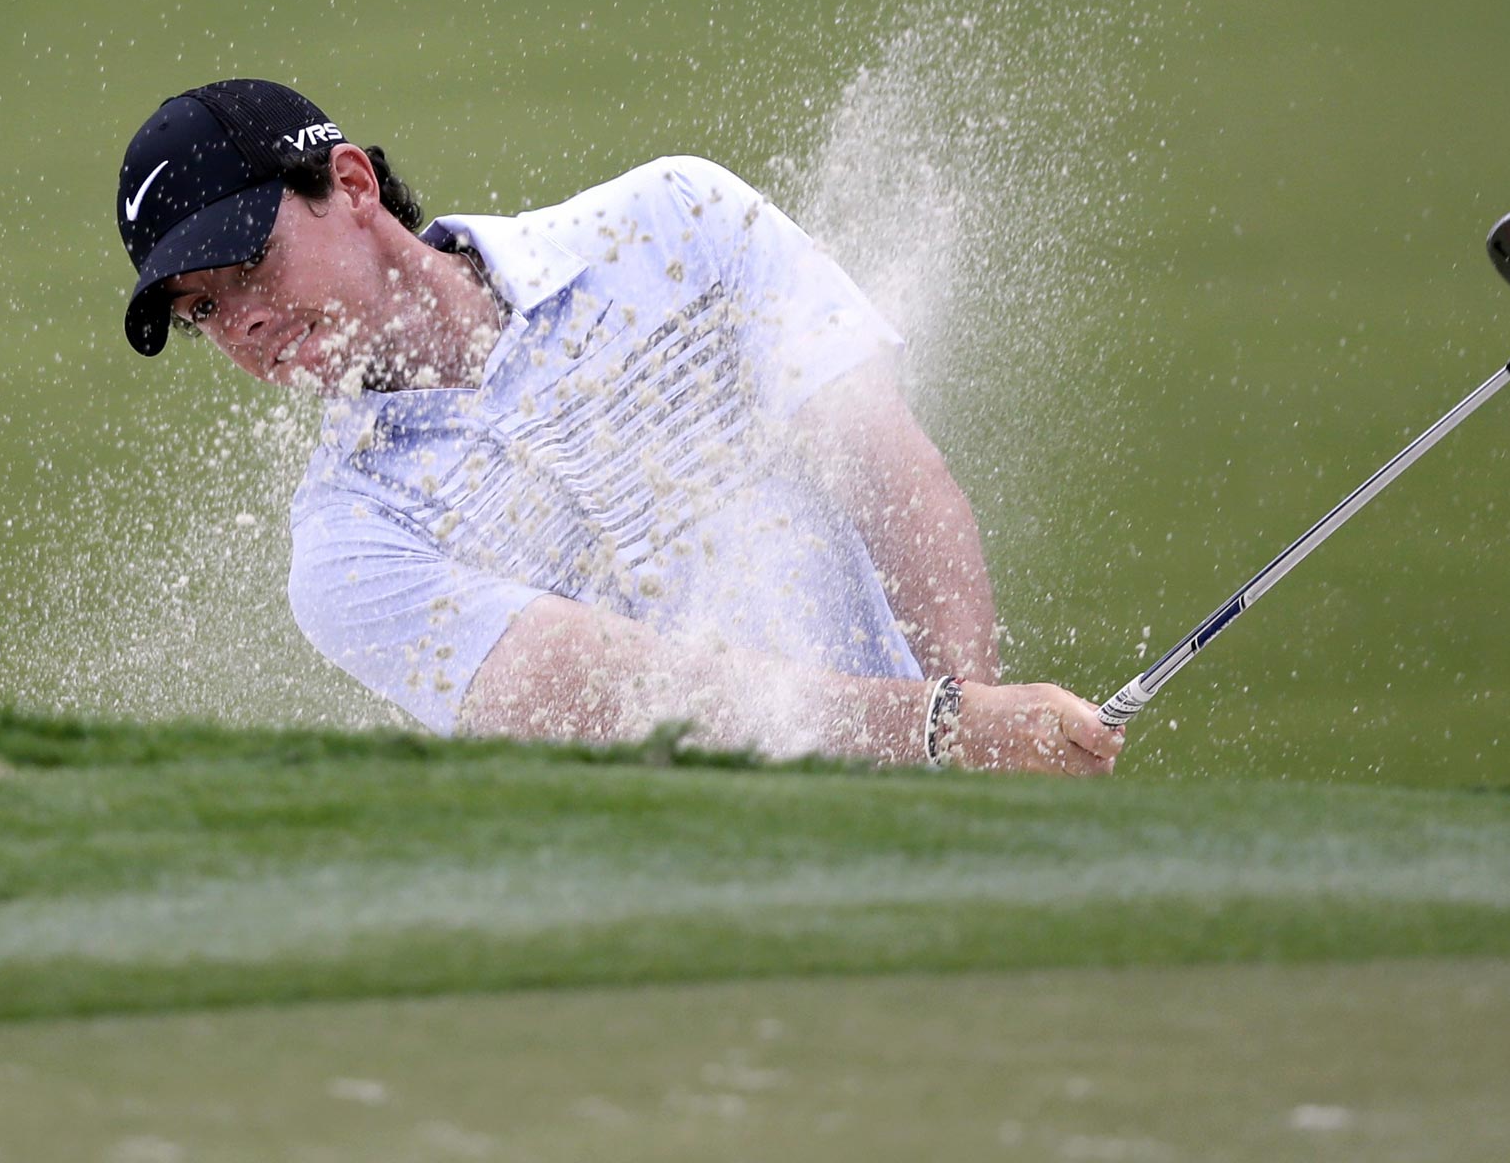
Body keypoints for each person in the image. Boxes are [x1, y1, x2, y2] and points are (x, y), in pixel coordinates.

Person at [117, 77, 1125, 774]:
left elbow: (888, 468)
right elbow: (637, 701)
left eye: (249, 265)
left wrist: (977, 724)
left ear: (348, 185)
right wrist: (944, 729)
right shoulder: (347, 551)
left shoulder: (672, 221)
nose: (238, 322)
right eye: (199, 312)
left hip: (920, 807)